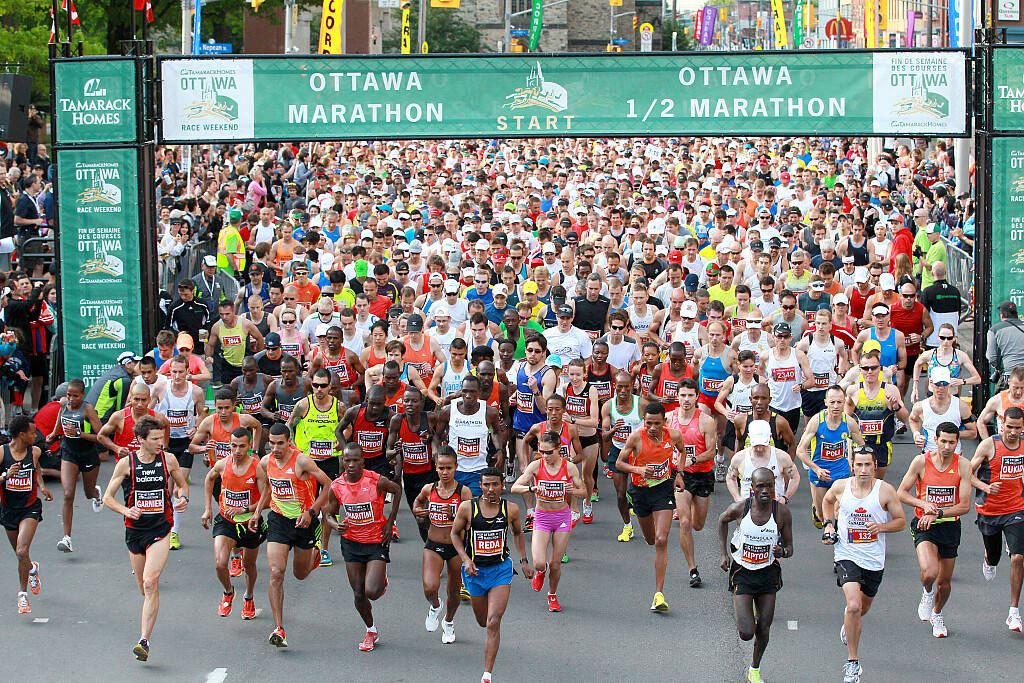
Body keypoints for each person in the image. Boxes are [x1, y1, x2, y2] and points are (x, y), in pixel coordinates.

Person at [101, 416, 190, 661]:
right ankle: (148, 616)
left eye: (161, 438)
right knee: (143, 588)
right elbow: (107, 498)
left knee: (151, 583)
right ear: (140, 439)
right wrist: (126, 510)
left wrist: (183, 498)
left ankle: (144, 641)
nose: (160, 442)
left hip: (160, 529)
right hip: (135, 531)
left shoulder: (168, 460)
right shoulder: (126, 464)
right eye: (155, 439)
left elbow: (182, 485)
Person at [822, 446, 906, 683]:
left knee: (862, 608)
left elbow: (901, 521)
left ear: (875, 467)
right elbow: (827, 501)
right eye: (859, 465)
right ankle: (852, 663)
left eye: (868, 464)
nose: (863, 469)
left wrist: (881, 527)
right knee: (854, 605)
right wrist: (829, 524)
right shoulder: (841, 487)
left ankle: (849, 622)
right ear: (852, 466)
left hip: (873, 559)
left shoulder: (885, 491)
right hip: (846, 553)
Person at [253, 423, 333, 648]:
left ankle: (315, 554)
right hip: (278, 520)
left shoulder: (302, 461)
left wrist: (312, 512)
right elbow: (269, 488)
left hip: (304, 521)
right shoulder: (266, 462)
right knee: (276, 572)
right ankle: (278, 628)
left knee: (300, 575)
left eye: (280, 443)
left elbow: (328, 485)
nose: (275, 448)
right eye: (271, 443)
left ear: (289, 442)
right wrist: (257, 512)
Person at [450, 467, 532, 683]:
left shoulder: (511, 509)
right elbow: (455, 534)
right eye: (486, 485)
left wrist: (524, 561)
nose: (491, 489)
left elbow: (517, 533)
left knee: (494, 621)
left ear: (502, 485)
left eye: (495, 484)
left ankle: (487, 675)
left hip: (500, 571)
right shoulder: (467, 508)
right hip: (475, 573)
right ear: (480, 486)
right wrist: (466, 559)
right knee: (483, 622)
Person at [896, 422, 972, 638]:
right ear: (935, 440)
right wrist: (924, 505)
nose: (947, 447)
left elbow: (965, 506)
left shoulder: (963, 465)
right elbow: (902, 492)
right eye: (943, 441)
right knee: (930, 572)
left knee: (944, 584)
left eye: (952, 442)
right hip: (924, 525)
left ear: (957, 443)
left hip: (949, 526)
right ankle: (927, 592)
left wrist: (938, 513)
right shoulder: (921, 462)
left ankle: (937, 614)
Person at [323, 443, 402, 651]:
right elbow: (329, 514)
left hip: (376, 541)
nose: (351, 464)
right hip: (351, 543)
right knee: (359, 594)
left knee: (372, 591)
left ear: (363, 462)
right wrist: (335, 525)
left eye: (355, 460)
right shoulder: (337, 486)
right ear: (342, 461)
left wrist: (390, 522)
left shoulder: (375, 481)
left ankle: (379, 579)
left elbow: (397, 490)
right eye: (347, 460)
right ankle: (371, 630)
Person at [616, 402, 695, 611]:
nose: (652, 428)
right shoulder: (636, 437)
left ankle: (658, 595)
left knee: (661, 540)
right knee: (651, 540)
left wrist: (679, 474)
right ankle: (647, 525)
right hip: (640, 492)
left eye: (657, 423)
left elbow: (682, 452)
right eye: (648, 423)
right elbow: (619, 463)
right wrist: (638, 470)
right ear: (644, 421)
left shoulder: (673, 436)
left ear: (664, 422)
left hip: (663, 490)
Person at [718, 467, 794, 683]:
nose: (765, 491)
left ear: (774, 487)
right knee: (746, 632)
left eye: (769, 486)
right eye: (760, 486)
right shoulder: (741, 508)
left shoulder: (782, 513)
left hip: (768, 574)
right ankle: (745, 608)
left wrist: (783, 552)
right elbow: (722, 520)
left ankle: (754, 668)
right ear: (752, 488)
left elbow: (790, 547)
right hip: (743, 572)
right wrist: (724, 554)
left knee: (763, 628)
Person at [511, 430, 586, 612]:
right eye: (542, 452)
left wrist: (573, 491)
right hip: (542, 517)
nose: (545, 456)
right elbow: (515, 487)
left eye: (549, 452)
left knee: (555, 563)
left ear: (559, 449)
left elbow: (584, 492)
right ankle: (541, 572)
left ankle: (552, 595)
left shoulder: (569, 468)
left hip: (561, 517)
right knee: (539, 563)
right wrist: (532, 488)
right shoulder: (536, 466)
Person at [201, 427, 268, 620]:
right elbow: (209, 479)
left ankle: (249, 596)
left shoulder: (257, 468)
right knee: (220, 564)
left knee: (249, 565)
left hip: (250, 522)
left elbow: (266, 499)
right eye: (233, 446)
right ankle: (228, 592)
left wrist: (246, 509)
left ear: (249, 445)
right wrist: (208, 508)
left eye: (242, 446)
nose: (237, 450)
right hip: (226, 521)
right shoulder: (223, 464)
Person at [970, 406, 1024, 634]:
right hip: (990, 510)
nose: (1013, 432)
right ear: (1002, 425)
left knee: (1018, 557)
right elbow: (966, 473)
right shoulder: (989, 445)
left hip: (1016, 509)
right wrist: (985, 487)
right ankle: (989, 559)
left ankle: (1014, 611)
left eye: (1017, 428)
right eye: (1009, 427)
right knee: (994, 556)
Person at [188, 390, 262, 552]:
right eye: (219, 408)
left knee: (241, 509)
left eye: (227, 408)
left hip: (244, 472)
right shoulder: (208, 422)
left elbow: (257, 426)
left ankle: (238, 549)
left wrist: (255, 450)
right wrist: (204, 449)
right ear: (214, 406)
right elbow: (192, 447)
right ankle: (237, 548)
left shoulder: (243, 419)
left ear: (234, 406)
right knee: (229, 512)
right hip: (221, 475)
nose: (223, 412)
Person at [412, 447, 471, 644]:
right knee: (430, 588)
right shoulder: (429, 489)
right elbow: (418, 501)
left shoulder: (463, 492)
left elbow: (472, 521)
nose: (445, 472)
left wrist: (454, 517)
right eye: (441, 468)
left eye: (449, 468)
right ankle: (436, 606)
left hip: (456, 547)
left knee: (453, 592)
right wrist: (417, 509)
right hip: (434, 544)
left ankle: (449, 621)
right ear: (435, 467)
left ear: (456, 467)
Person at [287, 368, 344, 565]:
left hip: (329, 461)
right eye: (315, 385)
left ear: (330, 386)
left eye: (323, 386)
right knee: (309, 506)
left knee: (328, 507)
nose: (319, 389)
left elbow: (347, 428)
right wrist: (294, 449)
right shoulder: (303, 405)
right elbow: (289, 426)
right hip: (308, 463)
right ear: (311, 385)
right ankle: (307, 543)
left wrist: (341, 441)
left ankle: (324, 548)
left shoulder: (339, 407)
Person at [151, 355, 206, 550]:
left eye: (180, 372)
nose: (176, 376)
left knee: (177, 489)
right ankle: (163, 526)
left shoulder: (196, 391)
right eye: (173, 372)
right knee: (167, 488)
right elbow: (149, 412)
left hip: (184, 442)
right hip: (165, 442)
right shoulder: (160, 388)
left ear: (188, 372)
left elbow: (202, 414)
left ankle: (173, 532)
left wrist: (196, 428)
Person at [44, 378, 102, 554]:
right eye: (69, 395)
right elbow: (60, 418)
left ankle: (96, 493)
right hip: (69, 452)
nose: (71, 399)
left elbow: (100, 436)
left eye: (75, 396)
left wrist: (79, 433)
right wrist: (54, 434)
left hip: (88, 453)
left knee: (88, 493)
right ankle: (67, 538)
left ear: (83, 395)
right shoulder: (64, 404)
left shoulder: (88, 409)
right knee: (68, 494)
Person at [1, 415, 52, 614]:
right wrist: (6, 476)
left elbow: (36, 467)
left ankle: (22, 595)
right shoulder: (2, 453)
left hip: (29, 507)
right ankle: (32, 568)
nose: (35, 435)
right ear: (22, 435)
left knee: (22, 551)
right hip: (8, 509)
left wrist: (42, 486)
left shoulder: (34, 451)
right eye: (32, 432)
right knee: (20, 554)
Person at [670, 378, 719, 588]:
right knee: (685, 522)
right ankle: (693, 569)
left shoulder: (706, 421)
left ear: (697, 397)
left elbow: (712, 452)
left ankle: (690, 508)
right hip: (680, 476)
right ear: (677, 396)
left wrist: (694, 459)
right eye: (683, 395)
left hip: (702, 475)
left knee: (697, 525)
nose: (686, 399)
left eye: (690, 395)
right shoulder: (669, 419)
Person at [796, 385, 864, 527]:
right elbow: (800, 450)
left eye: (839, 402)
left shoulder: (849, 422)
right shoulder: (816, 421)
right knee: (822, 517)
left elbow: (861, 445)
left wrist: (856, 463)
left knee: (841, 511)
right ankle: (816, 510)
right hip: (820, 472)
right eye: (832, 402)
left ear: (844, 402)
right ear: (826, 402)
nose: (836, 406)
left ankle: (838, 534)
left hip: (841, 472)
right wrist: (817, 469)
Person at [435, 375, 505, 496]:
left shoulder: (489, 412)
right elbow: (437, 436)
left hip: (478, 470)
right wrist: (436, 454)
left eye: (472, 392)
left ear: (479, 392)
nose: (468, 395)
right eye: (465, 391)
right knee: (454, 504)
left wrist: (499, 450)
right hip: (454, 470)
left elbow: (496, 431)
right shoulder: (448, 411)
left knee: (473, 504)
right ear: (461, 391)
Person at [845, 349, 909, 480]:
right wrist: (849, 449)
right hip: (860, 445)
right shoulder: (853, 391)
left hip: (882, 445)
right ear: (860, 370)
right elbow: (846, 420)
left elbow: (904, 418)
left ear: (880, 369)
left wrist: (896, 407)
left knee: (877, 483)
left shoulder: (890, 390)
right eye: (866, 368)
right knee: (860, 482)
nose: (870, 371)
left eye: (873, 368)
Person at [387, 386, 439, 541]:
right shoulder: (397, 420)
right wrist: (395, 451)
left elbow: (442, 435)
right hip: (410, 479)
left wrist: (432, 441)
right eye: (406, 401)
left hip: (430, 476)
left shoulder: (430, 418)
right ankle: (429, 546)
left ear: (421, 403)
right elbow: (388, 452)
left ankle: (437, 546)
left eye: (414, 401)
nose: (409, 404)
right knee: (420, 520)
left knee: (428, 518)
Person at [602, 371, 646, 542]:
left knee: (642, 493)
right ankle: (627, 526)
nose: (623, 391)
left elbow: (654, 426)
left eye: (626, 387)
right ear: (614, 386)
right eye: (619, 387)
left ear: (632, 387)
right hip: (618, 451)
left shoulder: (641, 404)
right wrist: (614, 429)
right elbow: (605, 436)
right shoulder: (609, 406)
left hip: (638, 454)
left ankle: (648, 520)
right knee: (620, 495)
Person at [727, 419, 800, 505]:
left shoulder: (781, 457)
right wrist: (737, 497)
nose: (760, 448)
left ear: (770, 437)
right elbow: (730, 478)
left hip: (775, 507)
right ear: (749, 437)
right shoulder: (739, 458)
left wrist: (785, 498)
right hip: (748, 507)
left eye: (763, 444)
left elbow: (795, 476)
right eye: (756, 445)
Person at [96, 383, 167, 461]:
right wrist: (117, 448)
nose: (140, 404)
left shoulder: (157, 417)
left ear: (149, 400)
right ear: (130, 399)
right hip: (126, 463)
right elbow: (101, 436)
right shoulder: (119, 416)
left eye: (143, 400)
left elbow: (166, 426)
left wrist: (164, 448)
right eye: (136, 399)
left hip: (151, 462)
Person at [987, 301, 1024, 388]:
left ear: (1002, 315)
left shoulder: (994, 329)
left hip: (1009, 374)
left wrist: (999, 368)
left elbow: (991, 357)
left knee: (1004, 396)